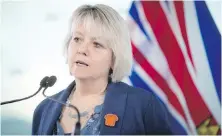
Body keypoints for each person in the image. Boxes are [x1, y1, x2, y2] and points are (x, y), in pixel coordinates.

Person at [32, 4, 172, 135]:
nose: (82, 49)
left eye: (97, 44)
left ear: (114, 58)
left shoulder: (143, 106)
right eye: (77, 39)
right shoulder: (44, 109)